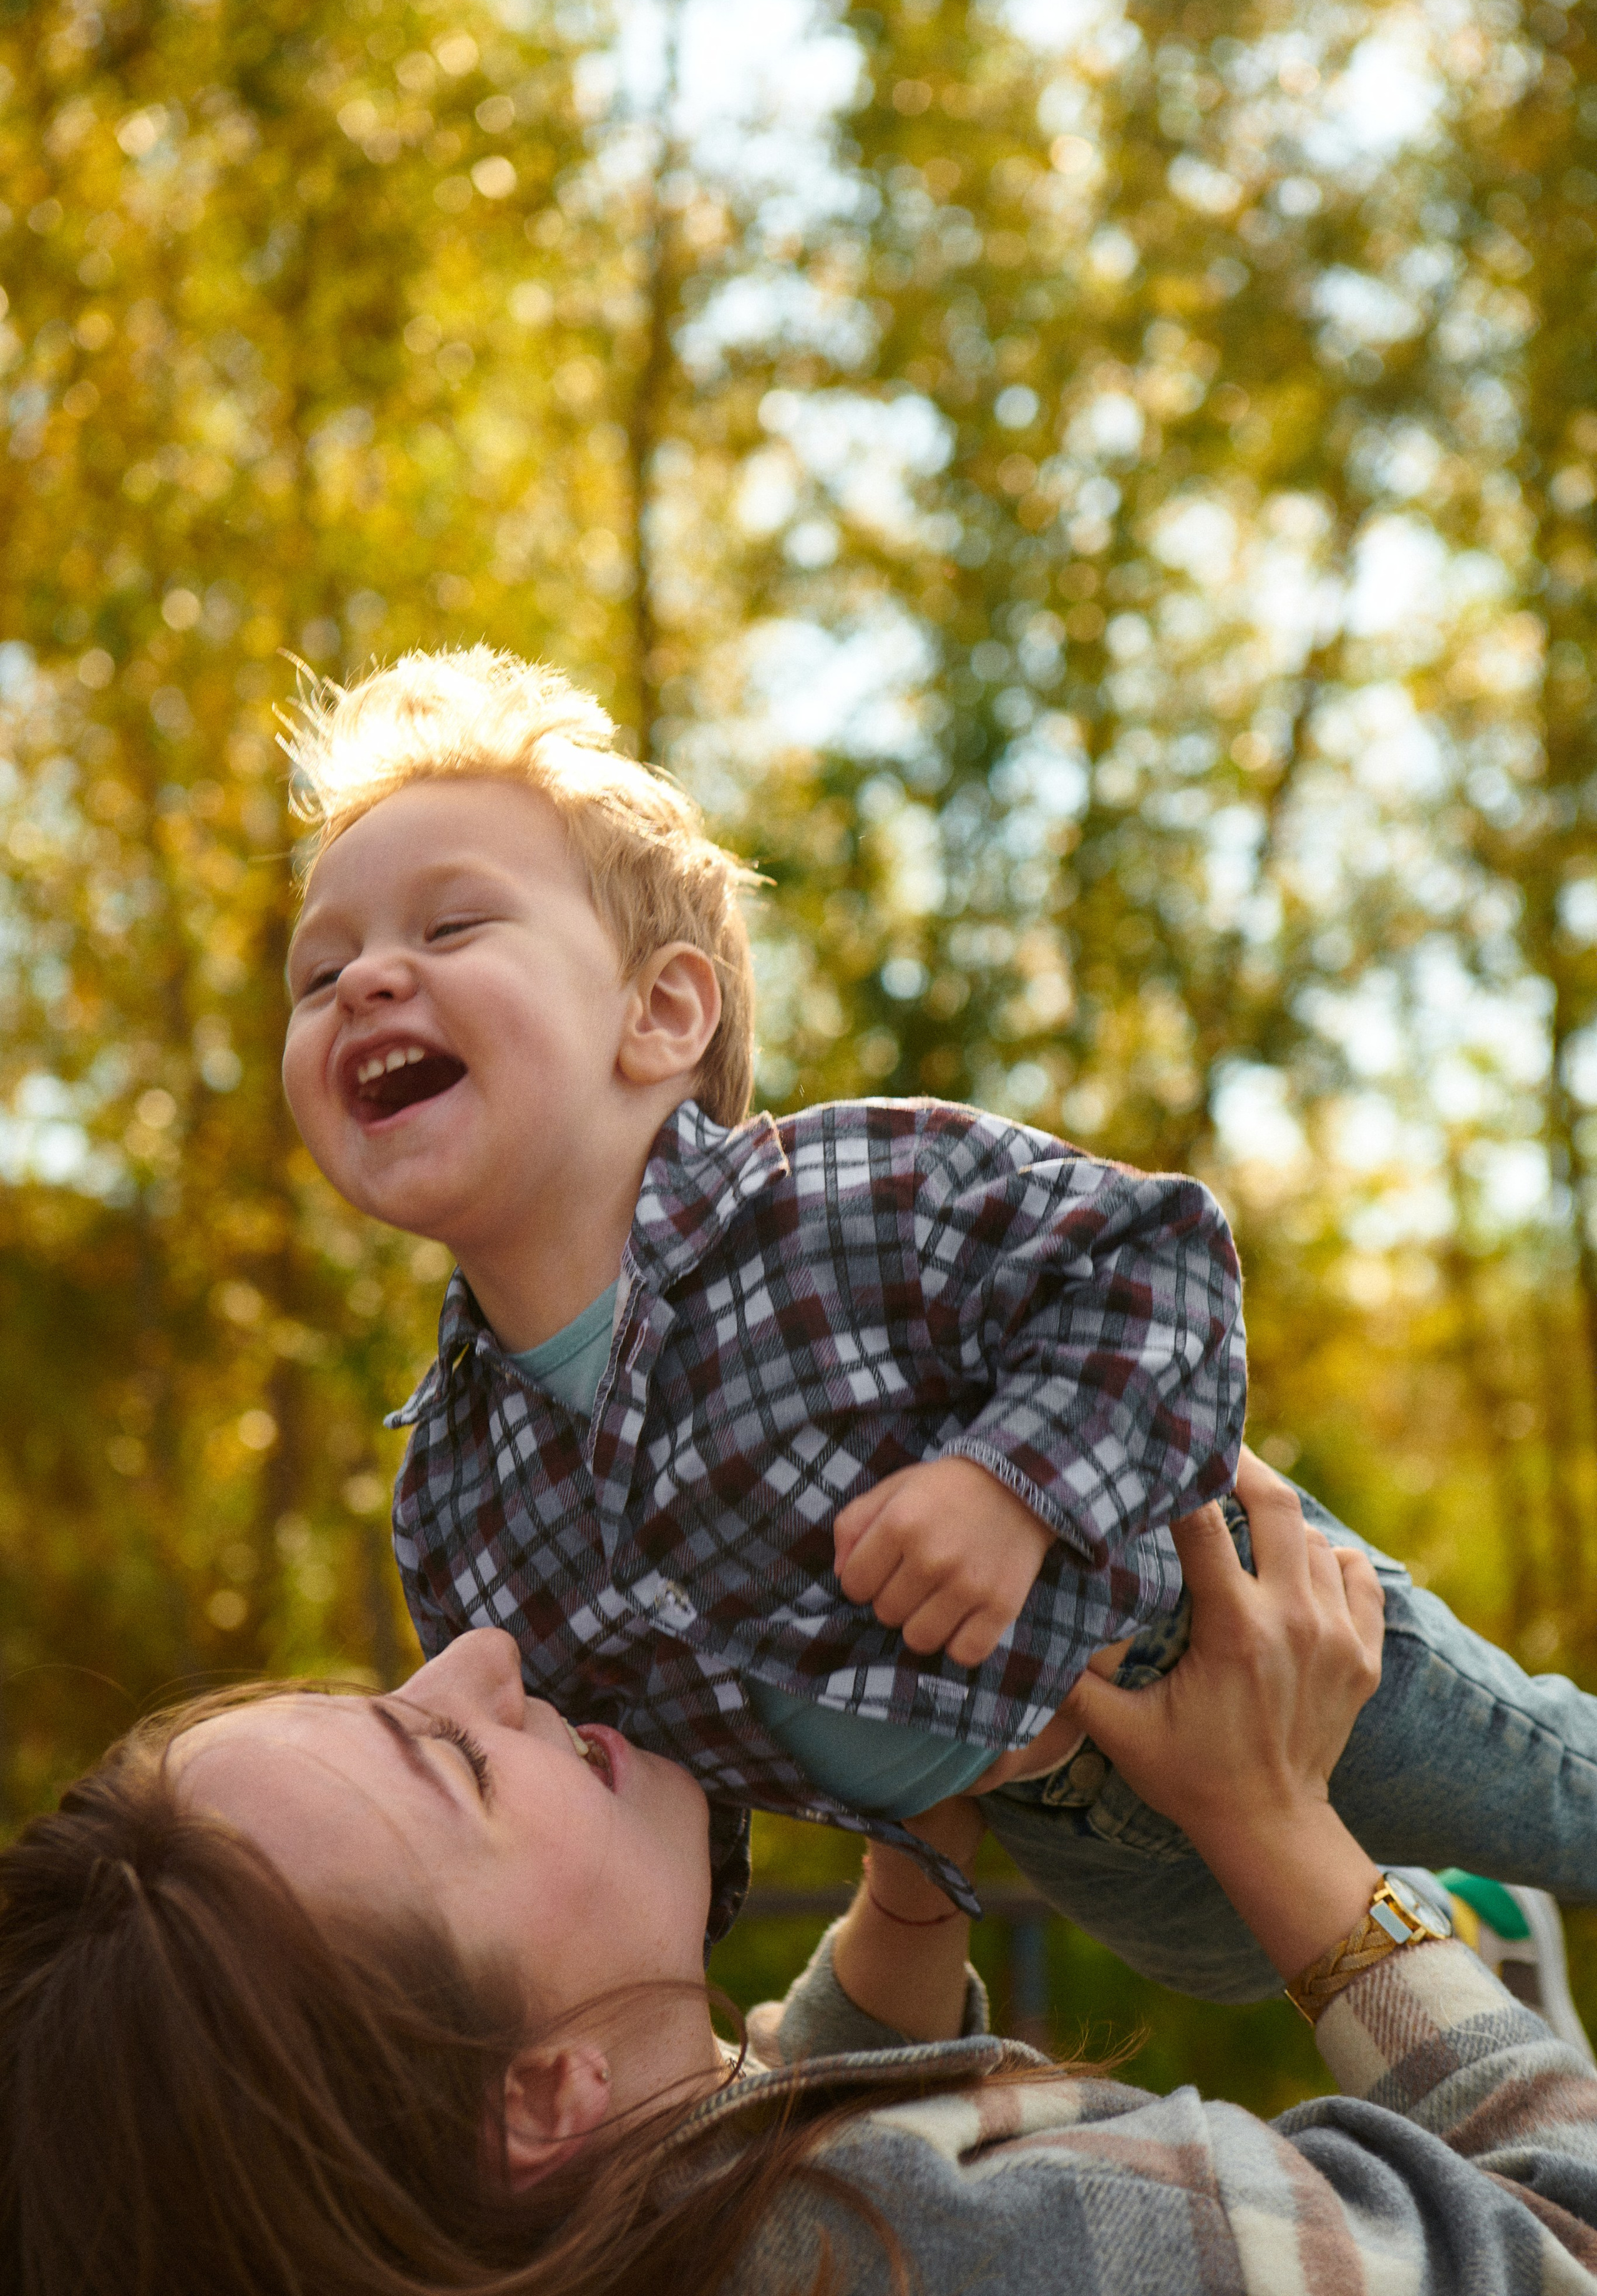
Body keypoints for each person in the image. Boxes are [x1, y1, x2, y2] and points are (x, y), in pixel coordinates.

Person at [278, 645, 1597, 1998]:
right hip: (1042, 1815)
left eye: (447, 931)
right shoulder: (454, 1501)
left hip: (1219, 1628)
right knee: (1232, 1963)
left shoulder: (845, 1199)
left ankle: (1490, 1899)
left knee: (1564, 1800)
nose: (369, 982)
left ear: (659, 1012)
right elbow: (594, 1776)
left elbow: (1155, 1259)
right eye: (319, 975)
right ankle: (1473, 1936)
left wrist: (1003, 1484)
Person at [6, 1469, 1597, 2296]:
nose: (481, 1657)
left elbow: (721, 2140)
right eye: (458, 1765)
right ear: (541, 2095)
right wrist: (1281, 1833)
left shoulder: (571, 2234)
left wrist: (910, 1884)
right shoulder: (985, 2254)